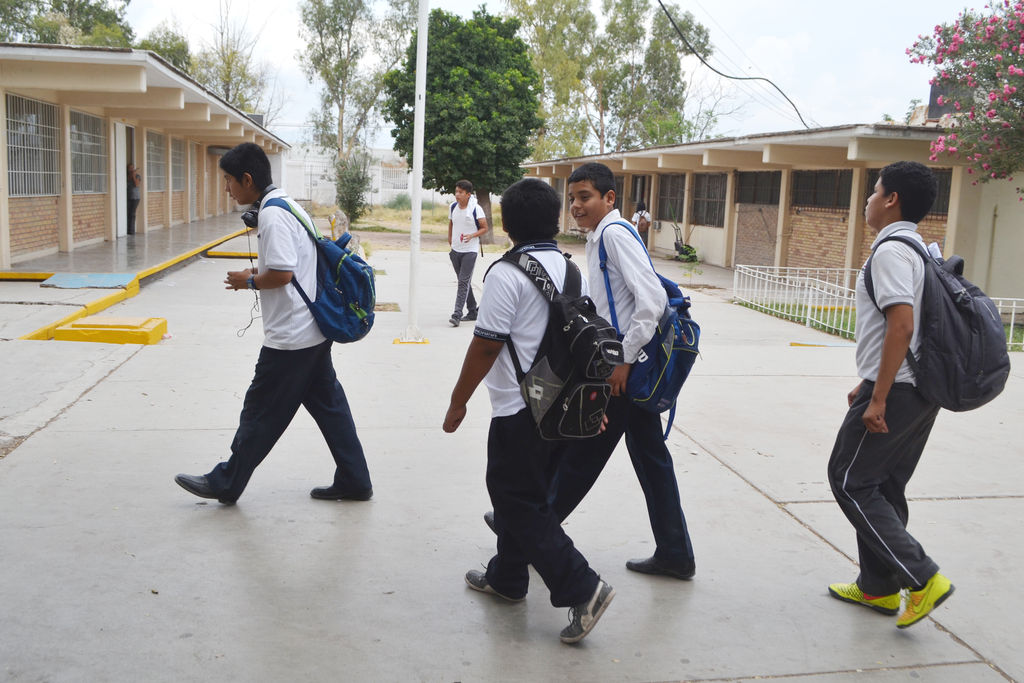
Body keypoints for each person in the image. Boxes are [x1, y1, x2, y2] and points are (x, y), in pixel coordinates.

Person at [443, 177, 614, 645]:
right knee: (527, 496)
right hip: (563, 406)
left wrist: (458, 401)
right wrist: (592, 403)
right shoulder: (569, 269)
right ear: (554, 218)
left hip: (521, 408)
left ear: (509, 223)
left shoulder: (505, 273)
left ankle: (583, 586)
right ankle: (508, 578)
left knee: (513, 501)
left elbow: (484, 347)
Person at [174, 142, 372, 505]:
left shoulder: (271, 215)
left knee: (259, 411)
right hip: (312, 331)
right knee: (331, 408)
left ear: (247, 180)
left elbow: (281, 274)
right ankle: (355, 479)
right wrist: (256, 272)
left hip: (291, 339)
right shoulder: (288, 203)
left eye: (229, 180)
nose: (227, 188)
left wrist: (247, 280)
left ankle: (227, 482)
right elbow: (292, 264)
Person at [529, 161, 697, 580]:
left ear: (609, 198)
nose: (576, 206)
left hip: (623, 370)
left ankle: (532, 532)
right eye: (572, 199)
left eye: (584, 197)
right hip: (621, 364)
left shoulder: (614, 234)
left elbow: (652, 300)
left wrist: (621, 360)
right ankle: (675, 551)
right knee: (651, 460)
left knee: (581, 453)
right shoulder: (601, 236)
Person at [826, 161, 954, 628]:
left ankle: (922, 577)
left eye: (874, 190)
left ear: (891, 199)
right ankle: (878, 588)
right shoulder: (917, 249)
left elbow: (902, 324)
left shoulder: (890, 252)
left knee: (849, 479)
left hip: (897, 392)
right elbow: (899, 331)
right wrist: (869, 377)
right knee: (884, 484)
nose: (868, 198)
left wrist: (876, 397)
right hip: (918, 389)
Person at [447, 179, 488, 327]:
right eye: (456, 191)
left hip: (470, 251)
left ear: (468, 194)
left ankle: (456, 314)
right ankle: (472, 311)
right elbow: (451, 223)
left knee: (463, 282)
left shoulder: (476, 209)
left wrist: (472, 235)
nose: (457, 194)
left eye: (460, 192)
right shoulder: (452, 207)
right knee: (464, 282)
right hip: (456, 250)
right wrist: (450, 238)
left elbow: (484, 227)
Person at [127, 163, 141, 235]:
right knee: (128, 213)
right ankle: (127, 229)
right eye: (130, 168)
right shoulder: (127, 176)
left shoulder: (137, 176)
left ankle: (131, 231)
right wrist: (131, 175)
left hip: (135, 198)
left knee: (132, 214)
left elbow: (136, 184)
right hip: (128, 197)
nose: (131, 169)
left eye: (132, 168)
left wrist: (134, 175)